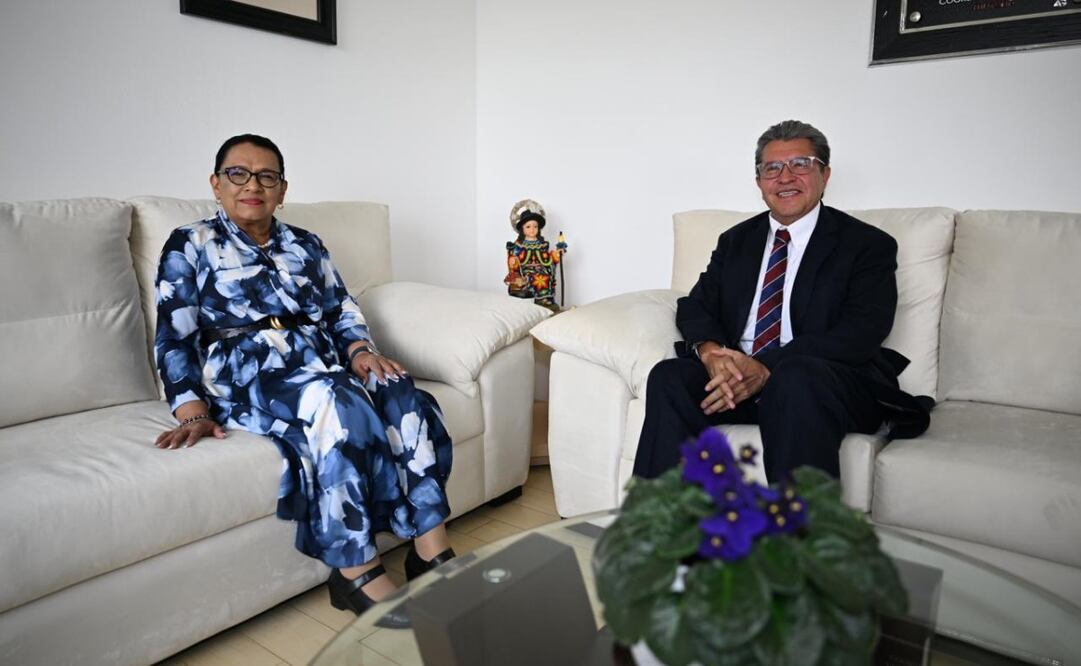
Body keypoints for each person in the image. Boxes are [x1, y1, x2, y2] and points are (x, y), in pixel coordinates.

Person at [153, 134, 454, 628]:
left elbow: (341, 310)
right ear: (216, 183)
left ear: (282, 188)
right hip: (245, 369)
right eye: (238, 174)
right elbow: (174, 333)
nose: (253, 185)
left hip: (321, 361)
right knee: (339, 401)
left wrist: (360, 351)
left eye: (266, 176)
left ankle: (430, 550)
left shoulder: (307, 244)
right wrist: (192, 408)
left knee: (401, 388)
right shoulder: (191, 243)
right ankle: (355, 567)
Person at [633, 120, 931, 483]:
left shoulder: (867, 245)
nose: (785, 177)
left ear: (825, 174)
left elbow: (862, 332)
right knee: (670, 376)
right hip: (738, 383)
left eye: (800, 164)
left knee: (795, 376)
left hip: (824, 384)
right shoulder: (736, 241)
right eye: (772, 168)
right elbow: (697, 304)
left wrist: (764, 366)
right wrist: (712, 353)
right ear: (759, 182)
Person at [504, 207, 562, 308]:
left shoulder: (542, 244)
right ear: (522, 229)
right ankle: (538, 301)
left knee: (545, 276)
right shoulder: (518, 245)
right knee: (535, 278)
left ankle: (546, 301)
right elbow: (513, 257)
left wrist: (556, 255)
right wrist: (513, 260)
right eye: (528, 227)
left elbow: (548, 259)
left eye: (535, 226)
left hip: (542, 269)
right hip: (525, 270)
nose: (532, 229)